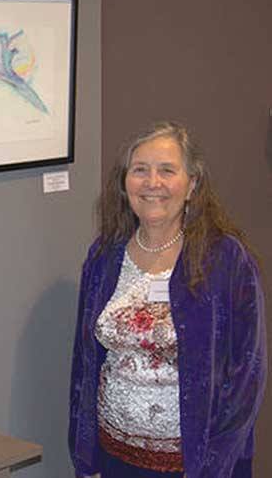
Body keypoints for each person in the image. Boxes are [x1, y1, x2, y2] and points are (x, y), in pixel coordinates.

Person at [68, 122, 267, 478]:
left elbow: (246, 379)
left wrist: (210, 470)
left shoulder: (226, 260)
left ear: (192, 185)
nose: (152, 183)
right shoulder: (104, 255)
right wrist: (86, 461)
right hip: (115, 458)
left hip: (195, 468)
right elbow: (84, 364)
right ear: (124, 182)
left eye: (167, 171)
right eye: (140, 170)